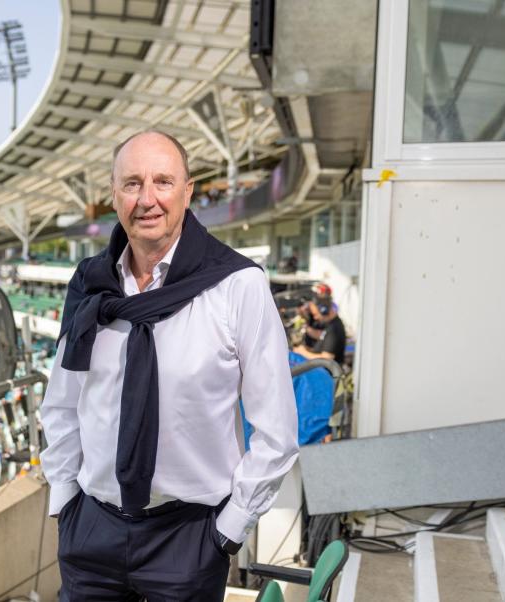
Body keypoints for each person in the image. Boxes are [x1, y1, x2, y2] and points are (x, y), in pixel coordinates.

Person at [41, 130, 298, 600]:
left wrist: (229, 529)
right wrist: (66, 503)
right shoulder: (89, 284)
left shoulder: (238, 285)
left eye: (163, 181)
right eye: (133, 183)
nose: (148, 199)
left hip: (189, 538)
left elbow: (277, 429)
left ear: (188, 191)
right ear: (114, 195)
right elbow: (61, 401)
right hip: (92, 530)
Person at [293, 285, 347, 365]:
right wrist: (308, 350)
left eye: (315, 314)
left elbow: (327, 358)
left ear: (324, 311)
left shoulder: (334, 329)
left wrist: (303, 353)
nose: (315, 318)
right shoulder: (329, 325)